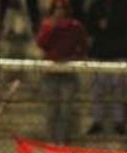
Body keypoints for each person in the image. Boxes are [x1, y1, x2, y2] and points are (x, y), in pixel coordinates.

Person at [35, 0, 88, 145]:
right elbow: (41, 43)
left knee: (65, 110)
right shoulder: (47, 25)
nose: (60, 11)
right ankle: (51, 141)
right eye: (57, 8)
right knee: (51, 110)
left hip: (67, 70)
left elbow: (83, 46)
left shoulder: (75, 26)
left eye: (62, 8)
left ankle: (62, 141)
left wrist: (74, 57)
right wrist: (51, 27)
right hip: (51, 71)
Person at [85, 0, 127, 135]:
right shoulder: (95, 5)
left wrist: (112, 24)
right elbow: (88, 26)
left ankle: (119, 122)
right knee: (97, 90)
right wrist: (97, 25)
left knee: (119, 90)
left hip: (119, 51)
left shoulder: (125, 5)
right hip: (99, 52)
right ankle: (97, 121)